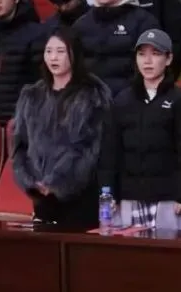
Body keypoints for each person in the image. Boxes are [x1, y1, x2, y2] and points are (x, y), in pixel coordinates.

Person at [98, 29, 181, 231]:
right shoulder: (122, 101)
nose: (148, 61)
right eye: (142, 54)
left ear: (169, 59)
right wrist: (108, 193)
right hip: (128, 197)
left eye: (156, 53)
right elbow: (110, 152)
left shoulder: (180, 101)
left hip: (169, 198)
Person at [11, 29, 112, 227]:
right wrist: (30, 181)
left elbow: (91, 149)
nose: (53, 57)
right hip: (42, 196)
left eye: (60, 51)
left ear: (74, 54)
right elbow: (20, 146)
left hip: (81, 196)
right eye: (49, 51)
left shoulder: (92, 95)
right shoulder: (32, 95)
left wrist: (57, 183)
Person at [72, 0, 160, 95]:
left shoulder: (143, 21)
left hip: (130, 97)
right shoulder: (81, 24)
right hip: (88, 96)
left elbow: (151, 66)